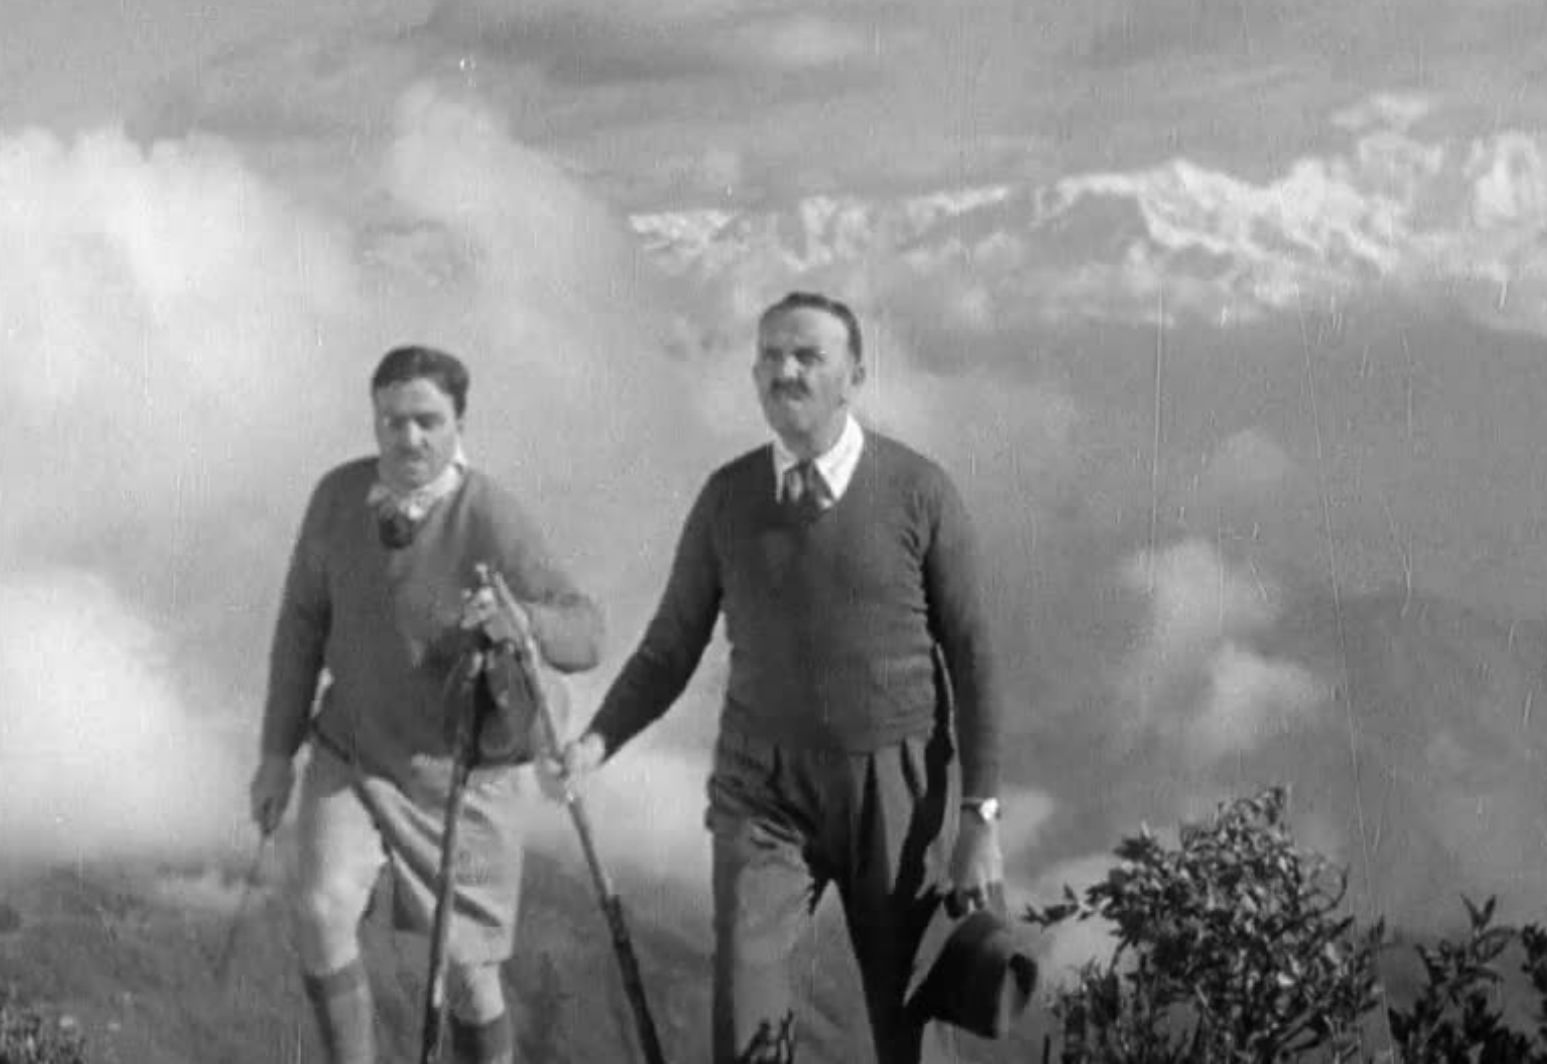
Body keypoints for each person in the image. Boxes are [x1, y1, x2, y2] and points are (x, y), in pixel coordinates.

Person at [563, 292, 1007, 1063]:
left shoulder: (919, 491)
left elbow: (972, 654)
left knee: (912, 1026)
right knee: (746, 1014)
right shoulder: (727, 498)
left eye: (807, 355)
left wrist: (981, 816)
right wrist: (598, 741)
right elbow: (670, 648)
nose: (785, 371)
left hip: (897, 790)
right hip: (761, 791)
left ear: (855, 375)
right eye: (770, 356)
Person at [248, 345, 603, 1064]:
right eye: (392, 421)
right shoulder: (338, 498)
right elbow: (302, 626)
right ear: (374, 421)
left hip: (459, 773)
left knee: (469, 973)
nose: (409, 438)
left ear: (458, 423)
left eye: (427, 421)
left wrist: (522, 621)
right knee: (320, 910)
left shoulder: (489, 514)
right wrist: (277, 755)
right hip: (351, 750)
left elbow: (585, 633)